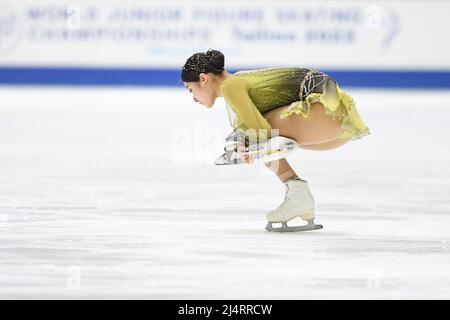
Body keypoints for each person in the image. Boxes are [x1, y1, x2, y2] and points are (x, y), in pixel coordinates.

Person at [181, 49, 370, 232]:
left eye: (190, 90)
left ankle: (298, 193)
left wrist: (249, 148)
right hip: (337, 125)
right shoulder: (238, 79)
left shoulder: (230, 86)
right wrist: (252, 147)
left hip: (325, 112)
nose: (193, 99)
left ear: (203, 79)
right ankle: (298, 196)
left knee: (250, 136)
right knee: (249, 136)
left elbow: (260, 131)